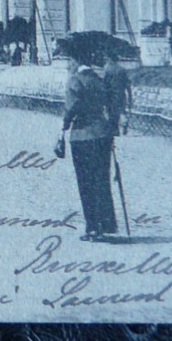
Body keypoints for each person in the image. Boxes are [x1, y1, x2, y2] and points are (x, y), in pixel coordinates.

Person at [60, 59, 118, 241]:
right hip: (103, 135)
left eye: (69, 61)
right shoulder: (99, 81)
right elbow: (112, 104)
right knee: (102, 180)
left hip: (82, 136)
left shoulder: (75, 81)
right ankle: (107, 224)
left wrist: (65, 124)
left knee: (86, 183)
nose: (68, 65)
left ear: (76, 62)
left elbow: (72, 106)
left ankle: (92, 227)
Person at [103, 56, 132, 136]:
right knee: (121, 110)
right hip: (121, 94)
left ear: (110, 59)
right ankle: (124, 122)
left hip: (111, 94)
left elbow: (105, 83)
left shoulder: (108, 69)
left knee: (111, 112)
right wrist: (130, 95)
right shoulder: (122, 70)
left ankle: (115, 130)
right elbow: (127, 83)